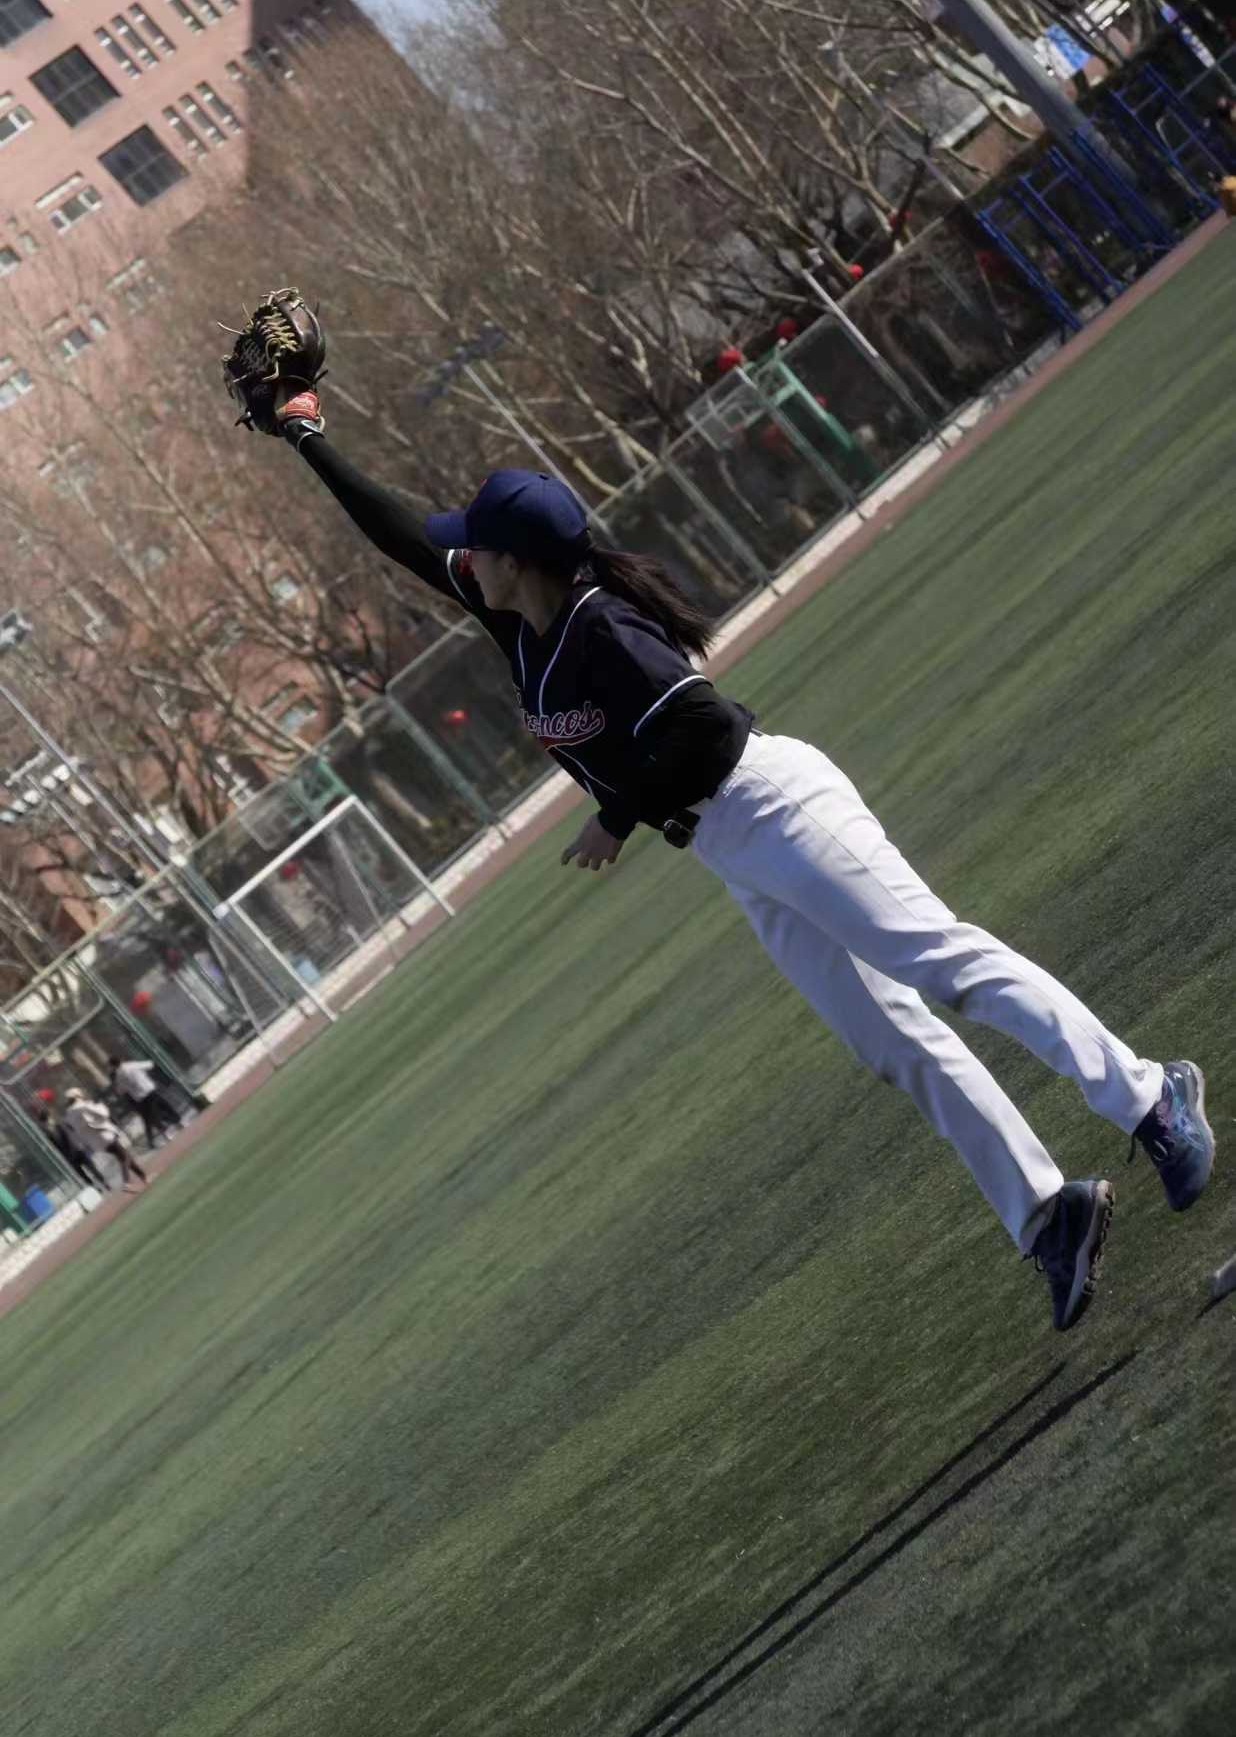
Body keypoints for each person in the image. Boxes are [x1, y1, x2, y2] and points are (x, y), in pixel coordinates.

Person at [256, 383, 1216, 1332]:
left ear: (519, 560)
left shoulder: (601, 626)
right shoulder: (517, 614)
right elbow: (403, 536)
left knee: (943, 963)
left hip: (772, 804)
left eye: (479, 543)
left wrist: (616, 814)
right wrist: (307, 435)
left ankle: (1150, 1097)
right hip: (730, 844)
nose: (462, 553)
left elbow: (706, 728)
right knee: (891, 1040)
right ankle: (1051, 1215)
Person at [62, 1087, 149, 1191]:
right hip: (104, 1134)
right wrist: (100, 1106)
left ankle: (143, 1176)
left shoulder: (68, 1116)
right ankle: (127, 1182)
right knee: (124, 1157)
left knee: (123, 1155)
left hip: (94, 1141)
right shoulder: (83, 1106)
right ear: (77, 1096)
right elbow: (103, 1113)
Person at [108, 1054, 181, 1150]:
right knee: (163, 1107)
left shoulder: (118, 1076)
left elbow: (121, 1090)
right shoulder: (131, 1065)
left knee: (149, 1116)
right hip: (148, 1089)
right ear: (121, 1059)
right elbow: (148, 1065)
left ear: (113, 1066)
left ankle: (159, 1135)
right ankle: (175, 1123)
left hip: (139, 1097)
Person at [33, 1103, 111, 1193]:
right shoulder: (50, 1132)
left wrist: (81, 1144)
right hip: (72, 1154)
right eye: (48, 1118)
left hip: (77, 1150)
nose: (50, 1119)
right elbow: (58, 1145)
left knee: (92, 1168)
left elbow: (72, 1134)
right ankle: (96, 1188)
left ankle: (104, 1183)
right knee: (83, 1174)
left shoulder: (59, 1124)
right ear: (47, 1118)